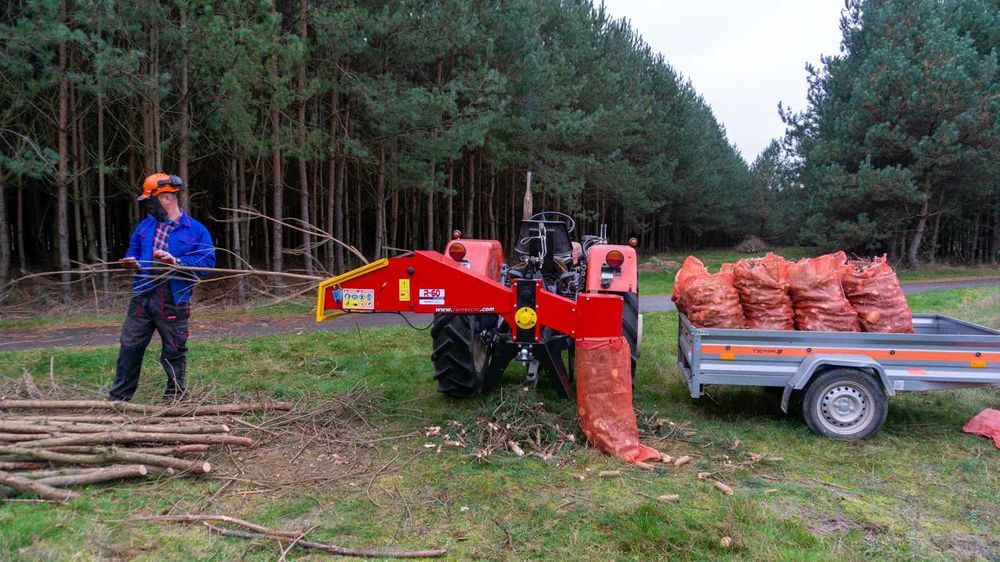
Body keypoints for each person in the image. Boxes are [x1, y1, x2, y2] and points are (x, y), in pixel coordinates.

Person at [110, 173, 216, 402]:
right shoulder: (144, 227)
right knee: (130, 346)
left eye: (150, 201)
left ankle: (174, 399)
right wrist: (133, 262)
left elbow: (207, 264)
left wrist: (177, 262)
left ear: (166, 198)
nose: (147, 207)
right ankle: (119, 400)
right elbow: (133, 251)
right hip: (143, 294)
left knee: (174, 349)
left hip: (173, 297)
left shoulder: (196, 230)